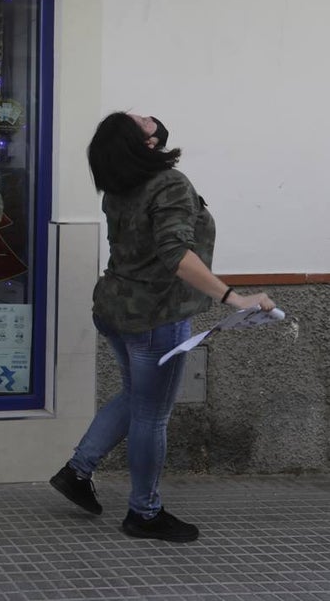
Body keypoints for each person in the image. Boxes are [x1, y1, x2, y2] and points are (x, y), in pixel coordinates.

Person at [50, 112, 275, 542]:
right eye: (141, 123)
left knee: (136, 396)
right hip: (155, 317)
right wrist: (234, 298)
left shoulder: (119, 185)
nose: (149, 118)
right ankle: (144, 513)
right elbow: (177, 254)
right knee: (152, 415)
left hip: (115, 309)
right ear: (145, 145)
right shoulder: (169, 184)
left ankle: (77, 472)